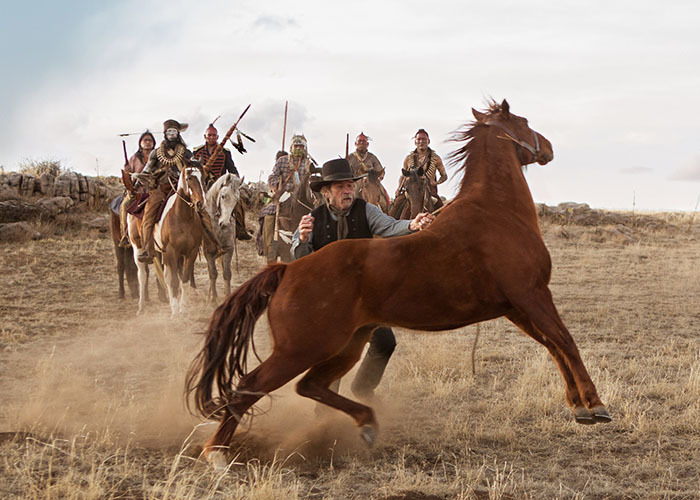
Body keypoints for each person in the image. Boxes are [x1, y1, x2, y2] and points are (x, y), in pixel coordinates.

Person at [291, 158, 434, 399]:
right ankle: (325, 408)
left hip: (363, 297)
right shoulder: (311, 220)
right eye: (340, 187)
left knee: (385, 343)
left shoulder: (367, 210)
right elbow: (300, 261)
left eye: (350, 186)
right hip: (330, 300)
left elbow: (390, 227)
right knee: (334, 353)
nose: (347, 191)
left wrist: (412, 224)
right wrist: (303, 241)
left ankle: (363, 388)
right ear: (326, 192)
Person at [136, 119, 222, 263]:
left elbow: (194, 166)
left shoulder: (186, 152)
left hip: (182, 187)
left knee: (202, 211)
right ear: (165, 134)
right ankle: (146, 249)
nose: (171, 134)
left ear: (177, 133)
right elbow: (147, 170)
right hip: (162, 188)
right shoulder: (157, 153)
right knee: (149, 213)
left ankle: (212, 245)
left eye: (174, 132)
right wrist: (138, 180)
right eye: (169, 132)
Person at [259, 134, 314, 262]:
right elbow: (273, 177)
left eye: (301, 146)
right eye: (296, 146)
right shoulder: (282, 161)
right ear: (291, 147)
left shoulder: (307, 163)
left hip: (302, 198)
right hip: (284, 195)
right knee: (268, 213)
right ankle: (269, 249)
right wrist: (275, 189)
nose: (298, 148)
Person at [193, 123, 252, 241]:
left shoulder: (225, 152)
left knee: (238, 203)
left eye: (214, 135)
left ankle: (241, 229)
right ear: (205, 136)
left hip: (221, 185)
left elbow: (232, 169)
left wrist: (236, 180)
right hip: (202, 185)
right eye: (209, 135)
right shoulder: (197, 151)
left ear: (217, 137)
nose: (211, 137)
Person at [395, 128, 448, 211]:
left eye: (424, 139)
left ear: (428, 141)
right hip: (411, 190)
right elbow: (403, 176)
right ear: (415, 142)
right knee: (395, 206)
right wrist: (398, 188)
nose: (421, 141)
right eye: (419, 139)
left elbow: (444, 176)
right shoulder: (408, 159)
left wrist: (435, 183)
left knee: (441, 210)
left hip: (429, 191)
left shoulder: (436, 158)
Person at [119, 130, 155, 247]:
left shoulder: (157, 158)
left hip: (154, 191)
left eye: (150, 140)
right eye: (145, 140)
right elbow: (125, 178)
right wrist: (128, 173)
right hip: (137, 192)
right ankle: (125, 234)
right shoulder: (134, 158)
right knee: (124, 206)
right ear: (140, 143)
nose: (148, 142)